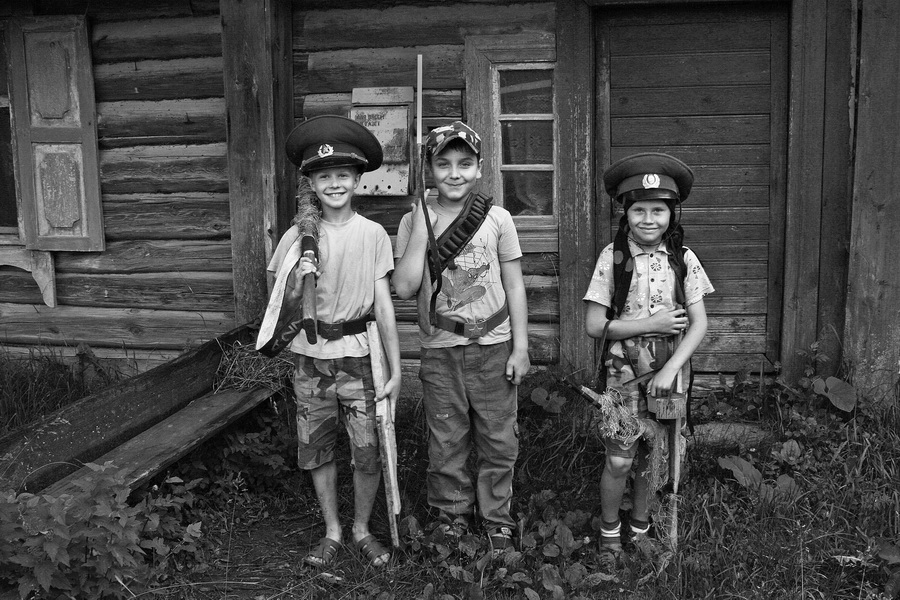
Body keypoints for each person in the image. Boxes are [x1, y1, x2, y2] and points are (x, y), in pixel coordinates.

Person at [259, 115, 401, 569]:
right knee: (316, 447)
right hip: (310, 359)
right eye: (324, 176)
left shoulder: (372, 234)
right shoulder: (297, 237)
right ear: (311, 183)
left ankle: (361, 529)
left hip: (360, 358)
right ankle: (333, 530)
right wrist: (298, 280)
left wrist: (397, 368)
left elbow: (383, 305)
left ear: (358, 179)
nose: (334, 183)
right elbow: (277, 304)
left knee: (368, 450)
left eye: (342, 174)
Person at [392, 121, 530, 557]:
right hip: (441, 350)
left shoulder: (497, 218)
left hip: (494, 346)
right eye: (444, 164)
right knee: (447, 438)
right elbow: (404, 287)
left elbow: (514, 285)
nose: (455, 173)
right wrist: (422, 226)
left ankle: (497, 519)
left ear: (480, 167)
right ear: (429, 170)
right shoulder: (413, 220)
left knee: (499, 438)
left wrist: (521, 347)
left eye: (465, 164)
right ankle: (451, 516)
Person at [583, 152, 713, 562]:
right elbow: (594, 325)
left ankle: (640, 529)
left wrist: (671, 369)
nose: (648, 219)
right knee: (620, 458)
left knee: (653, 456)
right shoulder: (613, 258)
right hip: (622, 374)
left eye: (658, 210)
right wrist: (651, 323)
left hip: (670, 376)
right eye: (639, 209)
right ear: (625, 211)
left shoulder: (684, 260)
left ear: (673, 213)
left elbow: (699, 324)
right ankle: (609, 532)